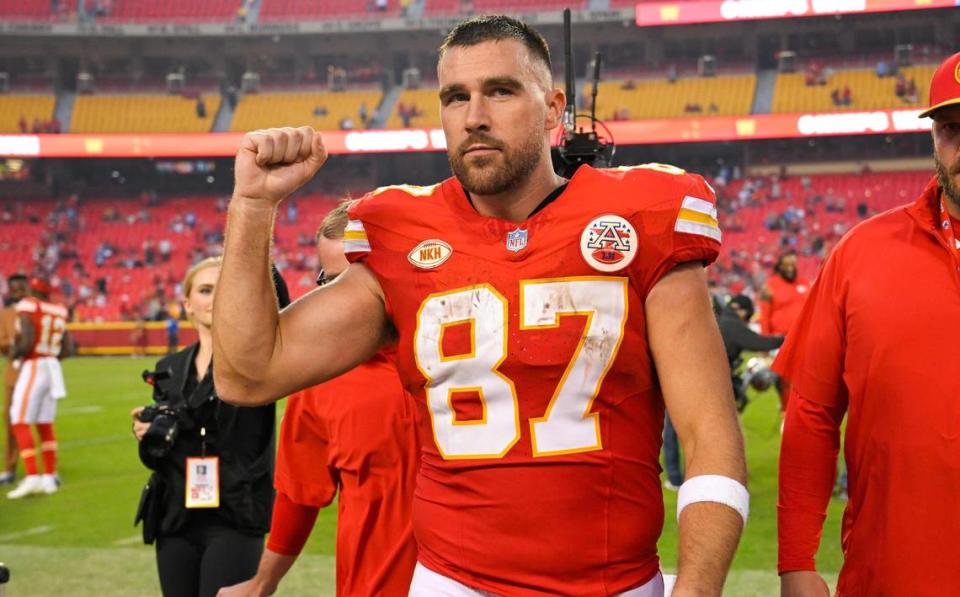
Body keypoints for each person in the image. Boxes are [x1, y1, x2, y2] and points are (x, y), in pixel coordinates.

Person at [214, 15, 747, 596]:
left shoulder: (641, 215)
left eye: (500, 90)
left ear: (552, 109)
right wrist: (251, 206)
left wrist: (695, 589)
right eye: (454, 97)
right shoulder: (401, 232)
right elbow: (248, 373)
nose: (474, 117)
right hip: (453, 583)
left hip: (613, 584)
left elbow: (709, 436)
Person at [776, 51, 960, 596]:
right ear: (933, 138)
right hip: (892, 576)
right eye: (953, 129)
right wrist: (796, 561)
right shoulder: (862, 252)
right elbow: (811, 412)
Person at [218, 202, 419, 597]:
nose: (347, 299)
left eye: (362, 278)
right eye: (332, 283)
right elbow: (300, 494)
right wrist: (263, 582)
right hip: (372, 586)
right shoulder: (318, 381)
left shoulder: (463, 350)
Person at [131, 257, 277, 597]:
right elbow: (166, 449)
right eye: (205, 290)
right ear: (188, 305)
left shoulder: (256, 360)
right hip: (175, 514)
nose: (214, 298)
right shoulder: (169, 367)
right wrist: (148, 433)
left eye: (224, 289)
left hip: (235, 512)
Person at [6, 277, 70, 499]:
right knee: (45, 422)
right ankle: (49, 477)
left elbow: (26, 341)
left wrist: (15, 354)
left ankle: (32, 476)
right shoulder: (59, 309)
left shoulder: (29, 306)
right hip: (52, 366)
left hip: (35, 364)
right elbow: (67, 347)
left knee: (19, 419)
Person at [759, 250, 809, 411]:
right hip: (780, 341)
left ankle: (800, 410)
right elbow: (764, 316)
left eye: (793, 264)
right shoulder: (770, 286)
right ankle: (786, 412)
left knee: (805, 380)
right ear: (779, 266)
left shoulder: (805, 283)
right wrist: (765, 345)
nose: (790, 268)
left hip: (804, 339)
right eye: (786, 265)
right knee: (785, 380)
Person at [0, 274, 28, 485]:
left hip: (34, 371)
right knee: (9, 420)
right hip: (13, 373)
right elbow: (1, 342)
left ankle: (43, 470)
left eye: (21, 287)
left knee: (39, 421)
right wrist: (14, 344)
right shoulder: (5, 315)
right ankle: (9, 468)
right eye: (14, 288)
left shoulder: (36, 312)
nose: (18, 291)